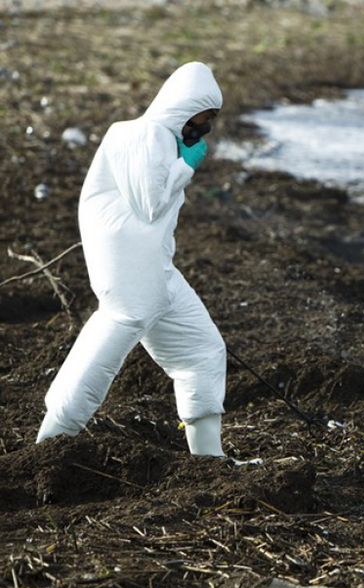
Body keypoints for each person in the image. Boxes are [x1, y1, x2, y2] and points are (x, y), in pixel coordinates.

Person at [36, 62, 230, 458]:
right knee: (99, 361)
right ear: (184, 107)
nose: (205, 128)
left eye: (210, 121)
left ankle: (210, 461)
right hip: (129, 278)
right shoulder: (140, 134)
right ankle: (48, 446)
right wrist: (186, 166)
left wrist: (178, 159)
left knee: (202, 351)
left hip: (157, 272)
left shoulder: (162, 140)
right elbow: (150, 204)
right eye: (203, 118)